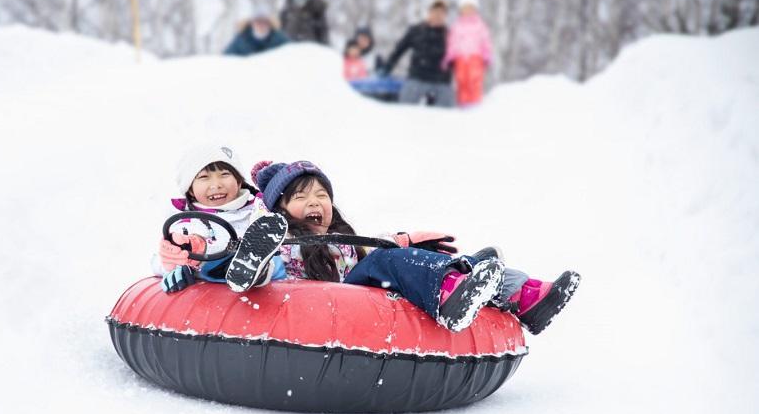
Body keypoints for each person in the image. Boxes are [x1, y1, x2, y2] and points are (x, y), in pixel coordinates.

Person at [231, 160, 581, 335]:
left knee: (450, 261)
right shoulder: (281, 242)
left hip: (357, 298)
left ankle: (524, 295)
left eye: (322, 195)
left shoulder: (343, 238)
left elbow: (369, 259)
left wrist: (407, 244)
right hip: (325, 309)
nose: (316, 202)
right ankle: (449, 296)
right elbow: (270, 271)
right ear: (280, 209)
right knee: (389, 261)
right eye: (302, 196)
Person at [153, 144, 287, 292]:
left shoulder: (259, 211)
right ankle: (241, 267)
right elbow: (158, 260)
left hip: (271, 282)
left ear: (239, 181)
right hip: (209, 290)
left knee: (269, 248)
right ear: (190, 189)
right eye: (204, 177)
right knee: (204, 259)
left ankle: (257, 267)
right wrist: (172, 264)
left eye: (224, 174)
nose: (216, 185)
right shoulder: (185, 223)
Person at [380, 0, 454, 107]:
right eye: (435, 11)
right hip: (417, 79)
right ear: (429, 12)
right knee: (405, 110)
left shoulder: (450, 35)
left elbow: (458, 59)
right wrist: (387, 67)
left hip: (441, 83)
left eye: (442, 12)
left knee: (446, 114)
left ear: (445, 16)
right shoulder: (416, 30)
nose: (438, 15)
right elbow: (398, 50)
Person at [443, 0, 493, 106]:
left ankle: (475, 103)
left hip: (475, 57)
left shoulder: (480, 25)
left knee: (474, 80)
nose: (468, 11)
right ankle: (462, 103)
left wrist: (487, 56)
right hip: (460, 58)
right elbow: (452, 42)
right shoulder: (457, 25)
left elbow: (485, 41)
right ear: (461, 10)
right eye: (465, 8)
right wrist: (449, 57)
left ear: (475, 10)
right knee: (461, 80)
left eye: (471, 8)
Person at [223, 12, 289, 57]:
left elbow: (292, 53)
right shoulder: (241, 39)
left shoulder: (279, 39)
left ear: (270, 24)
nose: (261, 25)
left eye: (264, 22)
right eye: (258, 22)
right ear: (251, 23)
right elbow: (227, 58)